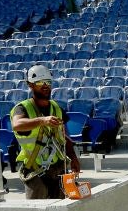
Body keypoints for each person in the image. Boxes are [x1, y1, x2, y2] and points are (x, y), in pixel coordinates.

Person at [10, 64, 81, 200]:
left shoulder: (56, 108)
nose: (45, 86)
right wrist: (42, 120)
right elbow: (17, 124)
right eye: (40, 82)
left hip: (59, 169)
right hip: (35, 171)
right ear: (30, 85)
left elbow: (64, 136)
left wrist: (73, 157)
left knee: (61, 210)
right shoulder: (22, 108)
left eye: (48, 82)